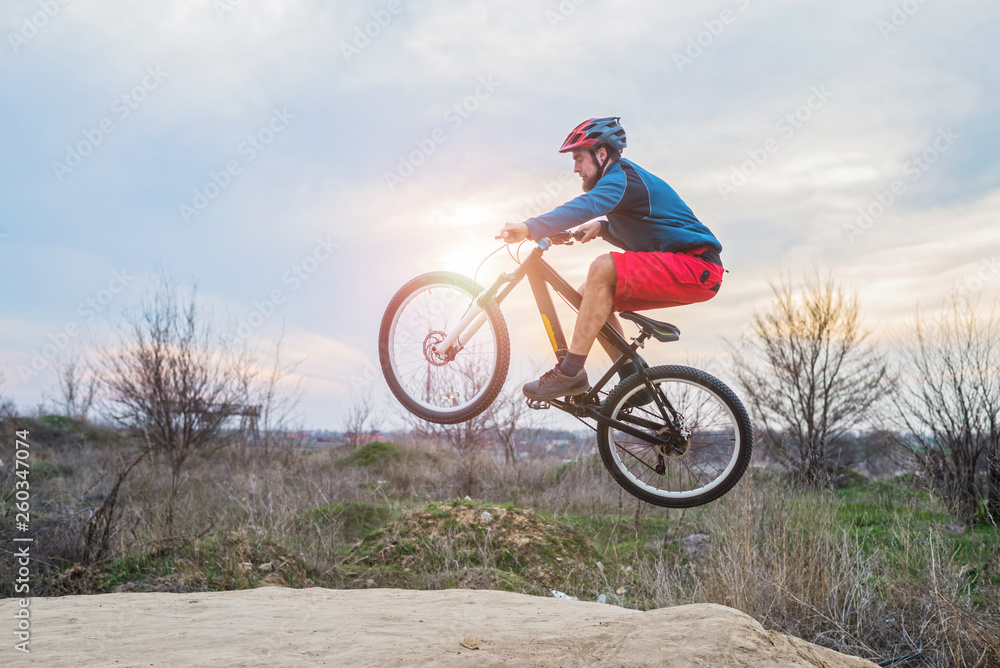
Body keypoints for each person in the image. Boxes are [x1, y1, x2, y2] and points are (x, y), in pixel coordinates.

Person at [499, 117, 724, 400]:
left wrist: (531, 227)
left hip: (698, 266)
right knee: (587, 294)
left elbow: (588, 205)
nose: (575, 168)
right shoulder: (623, 185)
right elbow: (651, 234)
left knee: (603, 266)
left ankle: (570, 373)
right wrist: (605, 228)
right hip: (686, 266)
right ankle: (633, 380)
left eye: (579, 158)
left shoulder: (621, 177)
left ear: (601, 154)